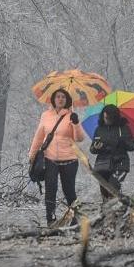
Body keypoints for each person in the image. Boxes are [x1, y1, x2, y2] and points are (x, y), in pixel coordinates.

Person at [28, 89, 87, 225]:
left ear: (67, 101)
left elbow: (80, 138)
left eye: (63, 97)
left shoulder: (71, 116)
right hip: (50, 158)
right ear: (53, 99)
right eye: (58, 97)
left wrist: (76, 123)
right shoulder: (45, 115)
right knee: (50, 188)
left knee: (69, 190)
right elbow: (39, 137)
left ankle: (75, 219)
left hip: (70, 159)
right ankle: (51, 219)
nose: (60, 99)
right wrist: (32, 155)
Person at [89, 104, 134, 202]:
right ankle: (107, 213)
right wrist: (96, 147)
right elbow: (92, 150)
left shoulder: (123, 128)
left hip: (120, 163)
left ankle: (117, 210)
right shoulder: (99, 129)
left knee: (113, 188)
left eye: (108, 118)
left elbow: (132, 146)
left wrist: (122, 141)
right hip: (102, 165)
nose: (106, 120)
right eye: (104, 117)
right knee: (105, 193)